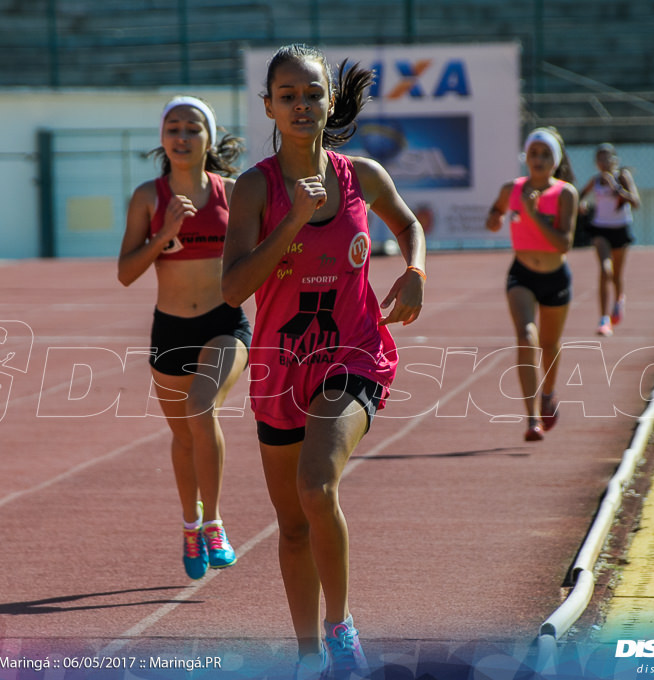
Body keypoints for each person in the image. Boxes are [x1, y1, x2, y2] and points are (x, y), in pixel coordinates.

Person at [221, 43, 425, 677]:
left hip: (353, 353)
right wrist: (293, 223)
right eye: (288, 96)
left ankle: (342, 629)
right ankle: (308, 654)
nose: (302, 105)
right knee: (291, 528)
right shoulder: (254, 188)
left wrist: (414, 269)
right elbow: (233, 289)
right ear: (269, 108)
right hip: (280, 367)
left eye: (313, 93)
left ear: (329, 101)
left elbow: (408, 223)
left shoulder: (361, 175)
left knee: (316, 485)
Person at [117, 96, 249, 581]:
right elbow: (126, 273)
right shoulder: (148, 198)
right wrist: (164, 232)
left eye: (193, 128)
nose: (182, 136)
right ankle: (190, 524)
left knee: (201, 408)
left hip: (223, 321)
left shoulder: (233, 193)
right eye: (173, 127)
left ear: (209, 137)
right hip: (170, 328)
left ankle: (213, 522)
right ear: (162, 138)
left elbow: (265, 255)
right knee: (182, 437)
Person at [486, 127, 579, 442]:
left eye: (545, 154)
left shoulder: (565, 194)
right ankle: (532, 417)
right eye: (533, 153)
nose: (538, 159)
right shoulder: (511, 189)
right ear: (525, 157)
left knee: (549, 344)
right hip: (521, 273)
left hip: (555, 277)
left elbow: (563, 243)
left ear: (556, 160)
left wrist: (531, 212)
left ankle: (548, 393)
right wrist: (495, 219)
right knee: (526, 336)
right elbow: (495, 213)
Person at [578, 143, 640, 336]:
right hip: (600, 229)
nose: (604, 162)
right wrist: (581, 203)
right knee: (606, 270)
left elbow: (635, 202)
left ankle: (619, 300)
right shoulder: (595, 180)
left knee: (617, 276)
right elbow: (578, 195)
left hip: (620, 229)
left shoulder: (622, 177)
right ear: (596, 162)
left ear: (614, 160)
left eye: (607, 158)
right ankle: (604, 319)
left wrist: (615, 187)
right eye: (600, 158)